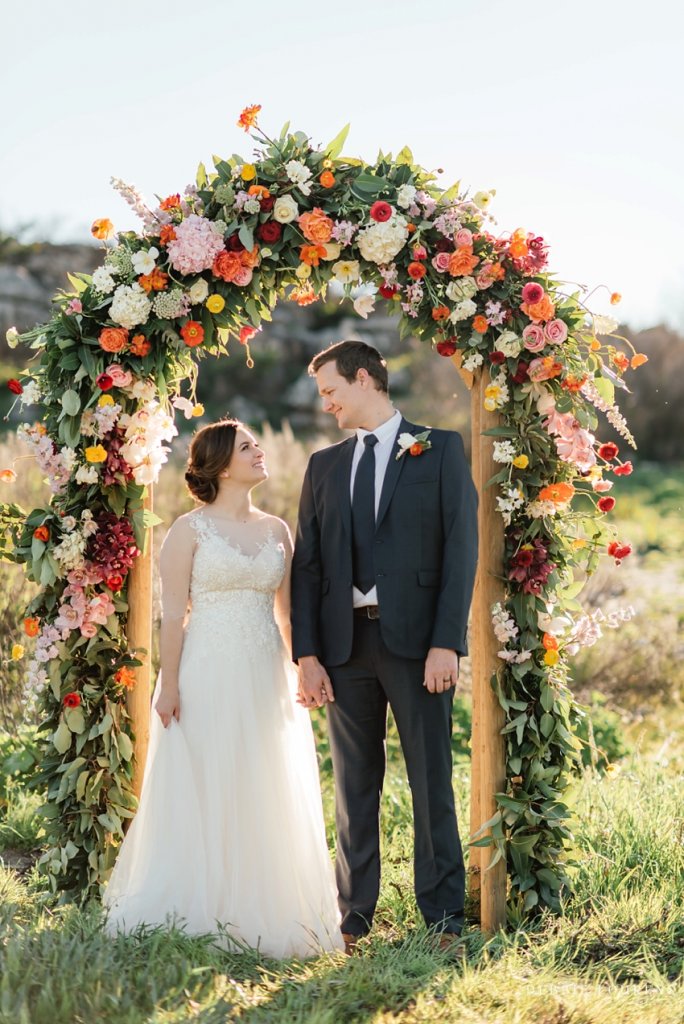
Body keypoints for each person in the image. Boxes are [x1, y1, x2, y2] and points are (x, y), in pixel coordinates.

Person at [104, 419, 343, 958]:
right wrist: (168, 686)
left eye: (258, 444)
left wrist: (305, 667)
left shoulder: (277, 530)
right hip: (206, 671)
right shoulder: (188, 531)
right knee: (210, 778)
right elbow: (171, 619)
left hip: (265, 674)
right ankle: (201, 903)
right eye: (247, 447)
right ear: (219, 465)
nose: (260, 452)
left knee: (263, 778)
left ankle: (265, 907)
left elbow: (287, 615)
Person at [291, 340, 478, 953]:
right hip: (345, 650)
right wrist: (308, 654)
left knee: (431, 781)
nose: (327, 405)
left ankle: (445, 917)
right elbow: (310, 568)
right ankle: (355, 918)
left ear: (366, 378)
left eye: (331, 390)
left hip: (418, 647)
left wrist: (446, 643)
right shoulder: (323, 466)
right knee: (353, 788)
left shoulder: (441, 448)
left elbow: (461, 553)